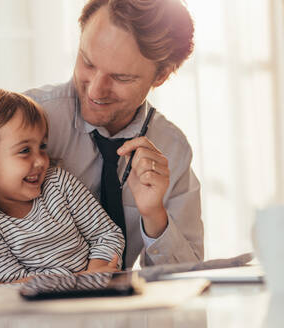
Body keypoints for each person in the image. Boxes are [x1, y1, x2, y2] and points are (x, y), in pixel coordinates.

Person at [24, 0, 204, 269]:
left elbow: (187, 277)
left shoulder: (171, 149)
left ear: (161, 75)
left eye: (121, 78)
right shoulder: (25, 123)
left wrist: (155, 217)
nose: (96, 91)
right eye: (88, 62)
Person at [0, 89, 125, 284]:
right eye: (25, 151)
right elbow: (17, 289)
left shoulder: (58, 183)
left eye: (42, 146)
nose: (42, 161)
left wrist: (97, 271)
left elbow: (107, 234)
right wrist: (81, 282)